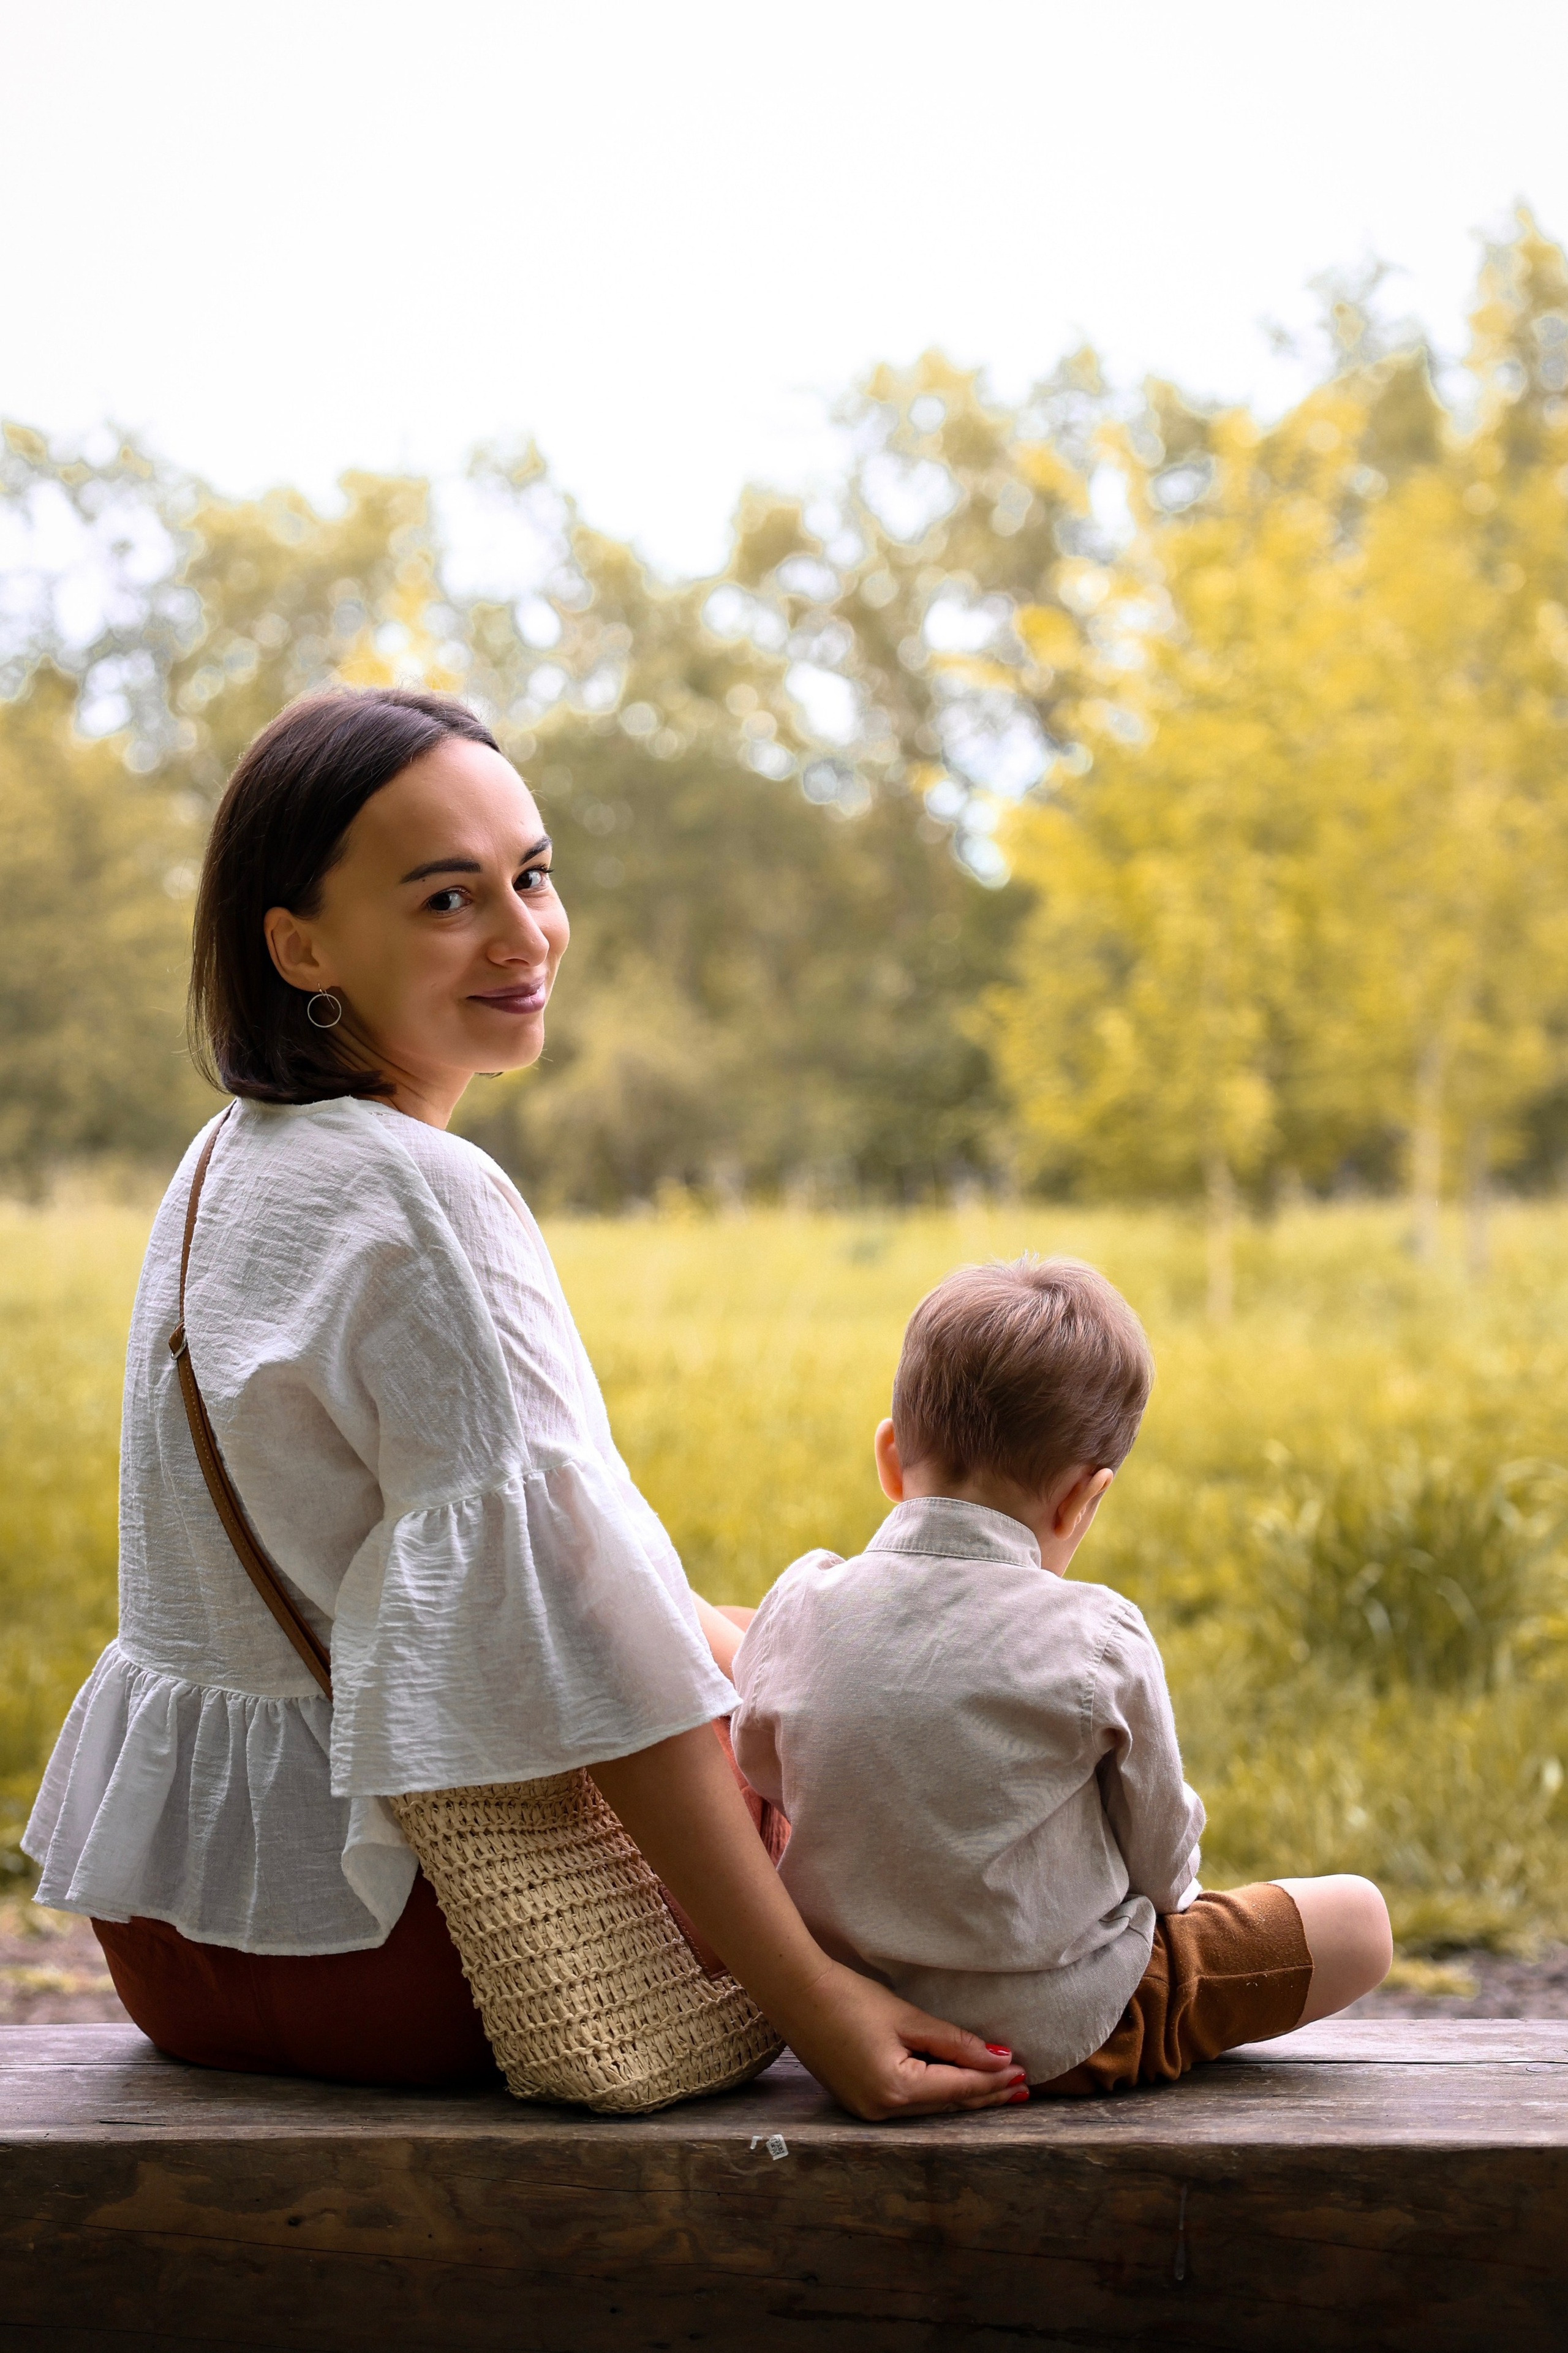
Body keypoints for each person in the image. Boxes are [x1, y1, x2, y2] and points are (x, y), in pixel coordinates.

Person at [23, 686, 1021, 2123]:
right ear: (298, 943)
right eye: (446, 898)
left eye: (533, 877)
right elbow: (593, 1643)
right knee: (851, 1723)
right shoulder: (427, 1198)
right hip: (401, 1954)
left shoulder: (220, 1168)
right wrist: (820, 2004)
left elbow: (497, 1592)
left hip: (180, 1941)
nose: (523, 935)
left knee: (750, 1639)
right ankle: (1162, 1970)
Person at [731, 1255, 1393, 2091]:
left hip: (855, 2012)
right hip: (1070, 2030)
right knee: (1361, 1919)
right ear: (1084, 1497)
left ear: (892, 1457)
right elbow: (1163, 1870)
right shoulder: (1099, 1635)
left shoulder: (802, 1599)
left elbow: (766, 1773)